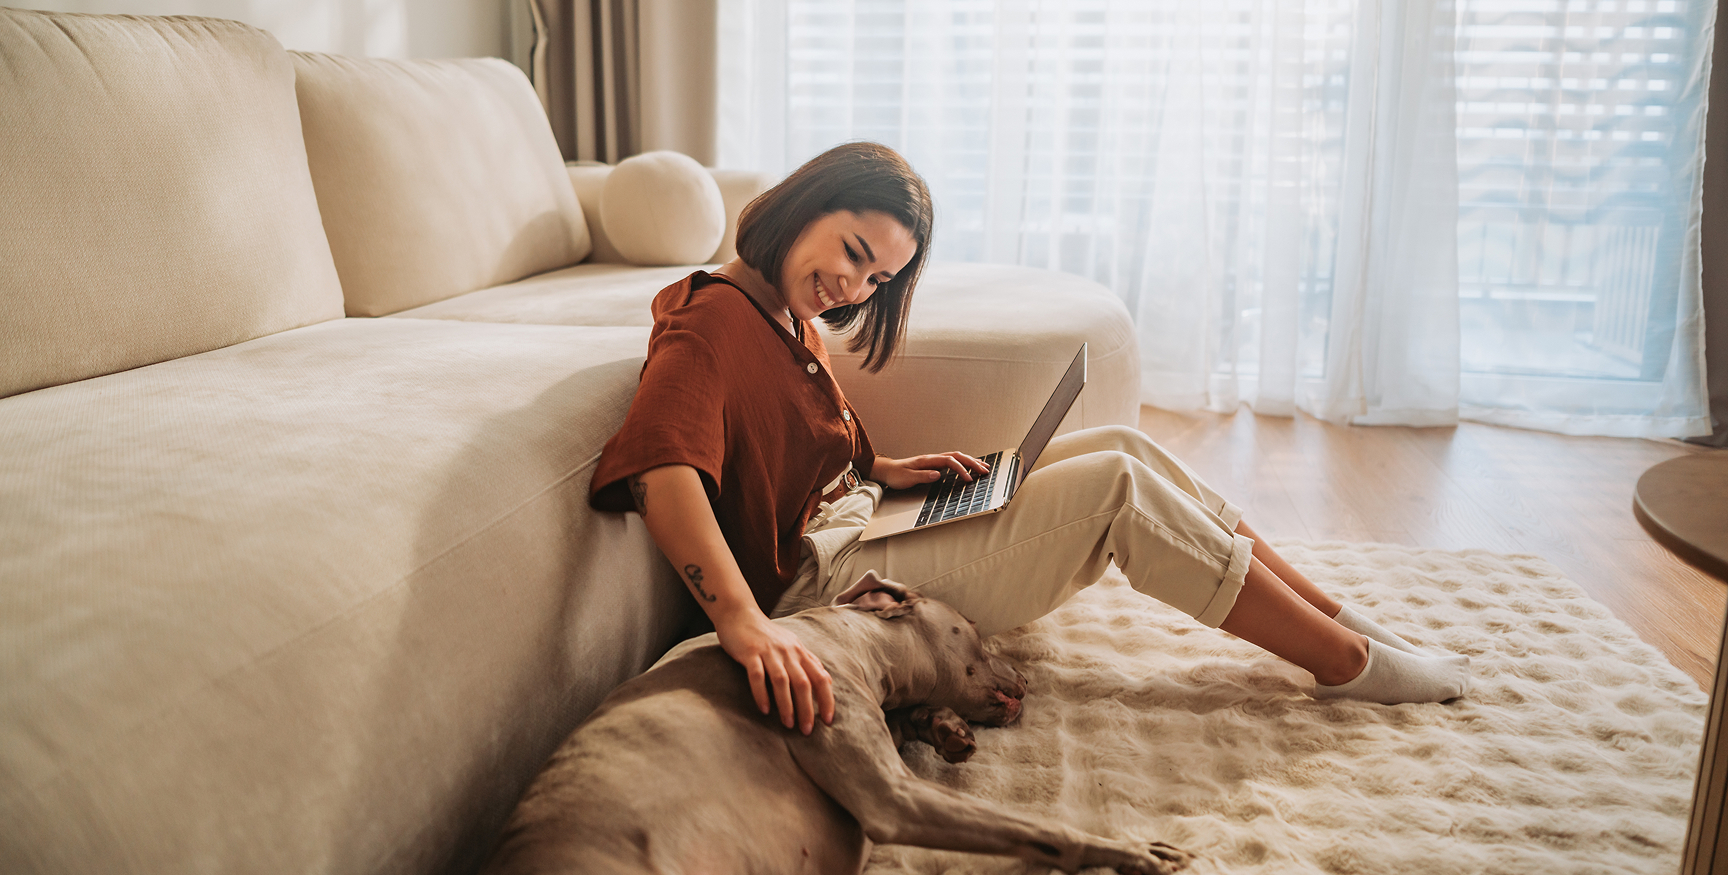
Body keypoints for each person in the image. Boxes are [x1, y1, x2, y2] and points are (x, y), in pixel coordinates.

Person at [590, 142, 1469, 737]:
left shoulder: (783, 315)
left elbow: (790, 435)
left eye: (877, 276)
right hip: (825, 592)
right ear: (803, 203)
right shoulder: (710, 321)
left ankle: (1340, 618)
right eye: (852, 252)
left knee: (1124, 445)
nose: (851, 285)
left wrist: (884, 467)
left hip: (863, 526)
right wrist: (743, 625)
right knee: (1117, 496)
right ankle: (1347, 662)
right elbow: (666, 469)